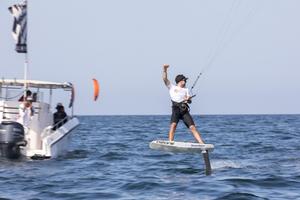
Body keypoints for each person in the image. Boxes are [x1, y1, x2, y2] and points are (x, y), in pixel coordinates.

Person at [162, 64, 205, 144]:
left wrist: (188, 99)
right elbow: (165, 79)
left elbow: (189, 101)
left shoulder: (186, 90)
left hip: (184, 110)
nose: (186, 82)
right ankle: (170, 142)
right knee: (173, 125)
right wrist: (165, 69)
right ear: (181, 81)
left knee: (192, 127)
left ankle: (201, 143)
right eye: (185, 80)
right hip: (176, 109)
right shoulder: (172, 87)